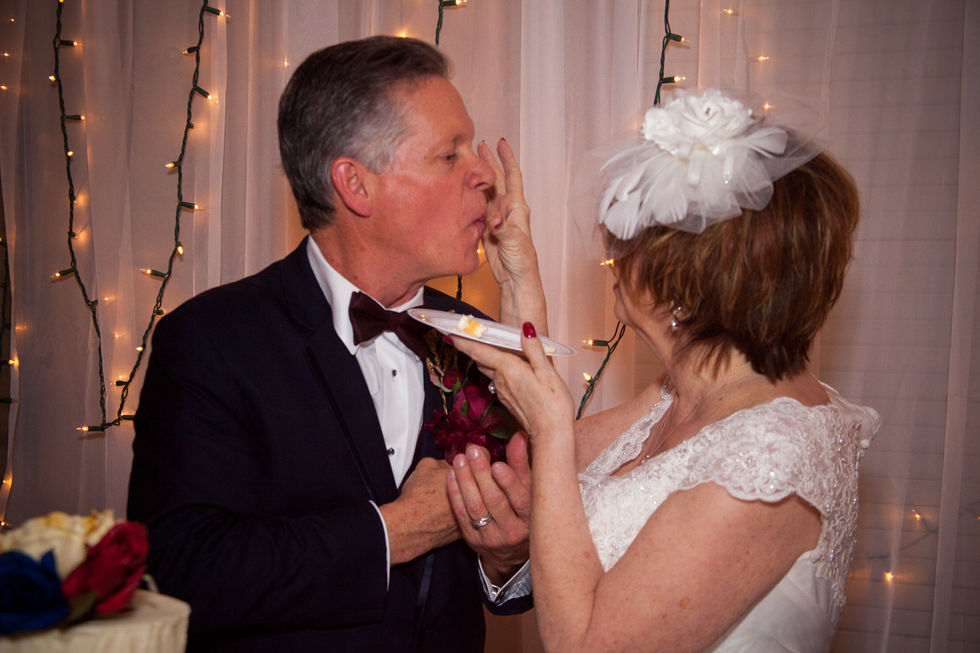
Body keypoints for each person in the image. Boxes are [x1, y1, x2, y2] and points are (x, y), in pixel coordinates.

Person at [127, 36, 541, 652]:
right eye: (449, 155)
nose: (483, 173)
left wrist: (506, 558)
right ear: (355, 185)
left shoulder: (477, 340)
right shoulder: (212, 341)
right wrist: (398, 529)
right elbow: (181, 573)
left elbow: (505, 578)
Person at [447, 89, 881, 652]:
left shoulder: (769, 463)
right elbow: (549, 472)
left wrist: (552, 428)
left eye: (634, 242)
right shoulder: (683, 393)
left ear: (685, 291)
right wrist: (519, 282)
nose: (613, 256)